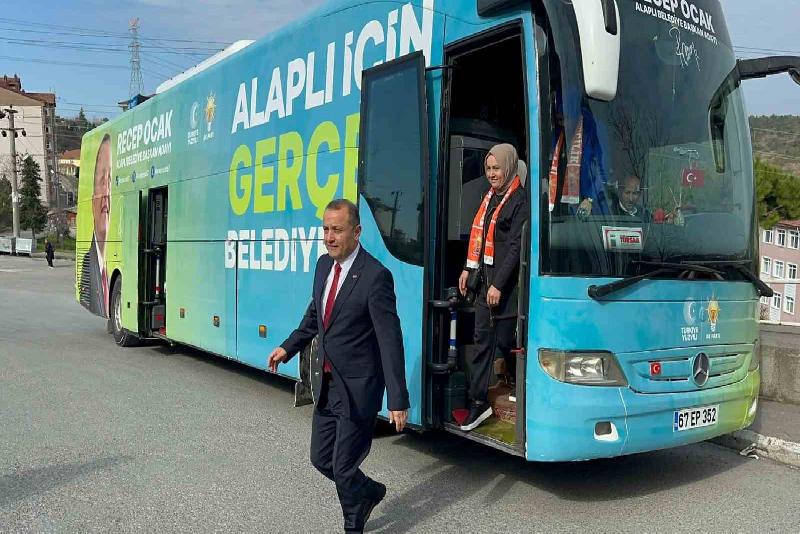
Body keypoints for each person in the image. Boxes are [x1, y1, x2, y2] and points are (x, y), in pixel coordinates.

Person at [267, 199, 410, 534]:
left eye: (337, 230)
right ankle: (369, 492)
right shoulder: (322, 267)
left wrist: (398, 399)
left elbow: (390, 339)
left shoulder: (376, 277)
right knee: (321, 459)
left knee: (343, 466)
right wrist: (288, 347)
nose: (329, 237)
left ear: (357, 232)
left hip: (359, 388)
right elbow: (315, 317)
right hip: (327, 384)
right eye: (326, 229)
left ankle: (353, 522)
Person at [458, 144, 528, 432]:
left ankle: (517, 390)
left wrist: (498, 283)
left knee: (507, 341)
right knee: (482, 341)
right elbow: (480, 238)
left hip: (506, 289)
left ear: (509, 166)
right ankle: (478, 402)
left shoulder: (519, 201)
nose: (491, 174)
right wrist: (468, 269)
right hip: (485, 286)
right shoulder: (489, 200)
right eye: (488, 169)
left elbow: (514, 248)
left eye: (496, 168)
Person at [79, 134, 111, 317]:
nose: (106, 192)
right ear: (92, 200)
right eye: (101, 182)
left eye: (111, 180)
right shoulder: (88, 264)